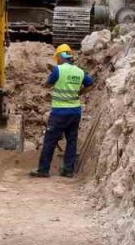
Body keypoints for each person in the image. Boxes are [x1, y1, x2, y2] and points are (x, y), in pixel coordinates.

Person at [31, 44, 94, 178]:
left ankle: (43, 169)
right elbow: (90, 84)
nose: (57, 61)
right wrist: (80, 92)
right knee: (71, 140)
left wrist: (52, 73)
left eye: (57, 58)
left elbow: (47, 84)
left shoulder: (58, 70)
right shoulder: (79, 71)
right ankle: (68, 170)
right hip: (75, 112)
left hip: (59, 112)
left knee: (50, 140)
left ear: (60, 56)